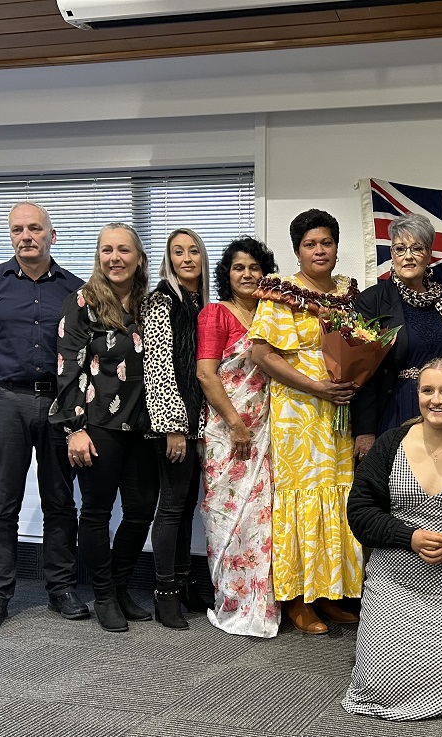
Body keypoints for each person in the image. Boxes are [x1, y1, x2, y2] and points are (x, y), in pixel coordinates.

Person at [0, 202, 89, 632]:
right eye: (17, 229)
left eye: (35, 228)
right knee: (0, 502)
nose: (26, 236)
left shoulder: (75, 289)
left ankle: (61, 588)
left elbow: (86, 356)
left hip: (57, 404)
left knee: (60, 502)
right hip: (3, 402)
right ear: (10, 236)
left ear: (53, 234)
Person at [345, 358, 442, 719]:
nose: (436, 400)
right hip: (393, 574)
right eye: (427, 391)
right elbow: (359, 511)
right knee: (380, 683)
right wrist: (407, 536)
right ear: (417, 395)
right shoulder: (391, 442)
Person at [248, 209, 364, 634]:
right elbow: (262, 355)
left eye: (327, 243)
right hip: (298, 411)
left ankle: (330, 593)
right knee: (303, 497)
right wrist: (316, 388)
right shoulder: (281, 292)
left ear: (336, 246)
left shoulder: (350, 292)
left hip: (339, 410)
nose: (320, 250)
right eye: (311, 244)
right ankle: (298, 600)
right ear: (297, 250)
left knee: (340, 493)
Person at [49, 222, 157, 633]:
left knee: (140, 512)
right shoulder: (81, 302)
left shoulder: (154, 302)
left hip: (148, 425)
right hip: (98, 425)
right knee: (96, 512)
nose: (116, 258)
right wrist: (74, 428)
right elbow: (67, 368)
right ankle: (104, 596)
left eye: (124, 250)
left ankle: (121, 585)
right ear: (99, 256)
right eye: (107, 250)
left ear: (139, 257)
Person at [196, 237, 280, 638]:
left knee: (262, 517)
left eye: (254, 268)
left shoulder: (271, 314)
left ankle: (261, 603)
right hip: (228, 433)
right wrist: (234, 423)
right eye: (238, 268)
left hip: (266, 429)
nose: (247, 275)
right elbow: (207, 374)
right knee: (228, 513)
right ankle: (231, 601)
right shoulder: (216, 314)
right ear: (226, 274)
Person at [141, 228, 208, 630]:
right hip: (172, 425)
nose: (186, 258)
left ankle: (183, 581)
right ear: (168, 259)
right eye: (177, 252)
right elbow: (159, 368)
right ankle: (164, 593)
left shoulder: (200, 302)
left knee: (186, 507)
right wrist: (174, 427)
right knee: (170, 506)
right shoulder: (160, 300)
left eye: (193, 251)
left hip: (199, 422)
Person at [352, 213, 442, 460]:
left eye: (417, 248)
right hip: (395, 410)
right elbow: (363, 373)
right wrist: (365, 431)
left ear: (429, 253)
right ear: (391, 253)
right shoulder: (373, 301)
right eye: (400, 249)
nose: (408, 256)